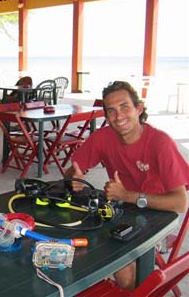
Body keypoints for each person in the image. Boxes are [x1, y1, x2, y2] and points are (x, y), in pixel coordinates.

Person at [65, 80, 189, 290]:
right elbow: (72, 169)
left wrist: (126, 195)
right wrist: (73, 177)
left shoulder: (160, 143)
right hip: (121, 213)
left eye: (125, 107)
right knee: (71, 240)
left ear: (139, 108)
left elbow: (179, 203)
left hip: (158, 219)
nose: (119, 116)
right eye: (111, 111)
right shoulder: (103, 137)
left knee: (122, 270)